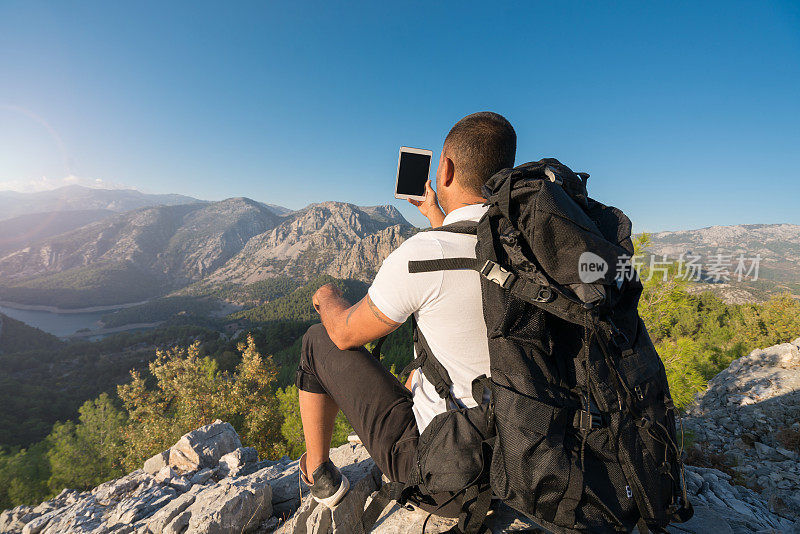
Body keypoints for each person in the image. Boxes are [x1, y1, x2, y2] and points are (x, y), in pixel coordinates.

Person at [295, 112, 516, 508]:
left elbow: (345, 333)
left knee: (316, 340)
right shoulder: (528, 251)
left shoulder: (420, 258)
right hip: (527, 457)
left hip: (450, 474)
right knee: (418, 370)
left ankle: (317, 474)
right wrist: (436, 217)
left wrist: (326, 297)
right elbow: (469, 260)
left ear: (444, 169)